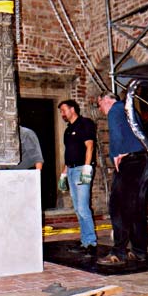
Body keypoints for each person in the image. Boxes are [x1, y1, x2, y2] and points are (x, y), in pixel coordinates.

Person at [96, 91, 148, 266]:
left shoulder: (115, 110)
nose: (100, 109)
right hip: (143, 161)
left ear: (106, 100)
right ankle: (139, 251)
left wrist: (116, 155)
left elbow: (116, 135)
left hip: (130, 162)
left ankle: (118, 253)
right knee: (136, 208)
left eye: (99, 105)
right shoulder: (129, 110)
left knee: (118, 207)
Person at [58, 99, 97, 254]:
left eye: (63, 110)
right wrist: (63, 173)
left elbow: (90, 146)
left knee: (82, 207)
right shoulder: (68, 130)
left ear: (72, 109)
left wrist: (87, 168)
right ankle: (85, 241)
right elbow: (69, 154)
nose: (62, 114)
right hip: (72, 170)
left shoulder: (85, 123)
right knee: (77, 208)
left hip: (82, 169)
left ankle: (91, 242)